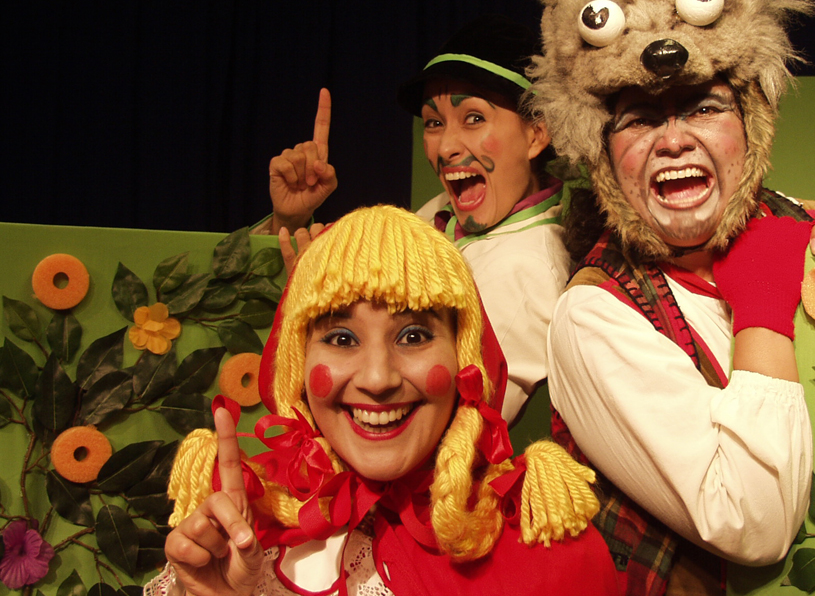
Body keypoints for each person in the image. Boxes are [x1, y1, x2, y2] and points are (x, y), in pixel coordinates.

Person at [527, 0, 815, 595]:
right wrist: (762, 301)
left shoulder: (797, 222)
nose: (674, 140)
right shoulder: (594, 315)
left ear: (751, 128)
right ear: (605, 155)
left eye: (704, 107)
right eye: (640, 119)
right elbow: (753, 522)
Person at [149, 205, 618, 596]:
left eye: (413, 336)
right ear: (297, 364)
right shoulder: (249, 529)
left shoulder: (550, 550)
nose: (377, 379)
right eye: (341, 338)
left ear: (465, 358)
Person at [263, 16, 570, 422]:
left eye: (474, 118)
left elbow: (460, 428)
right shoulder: (439, 216)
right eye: (434, 123)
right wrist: (292, 217)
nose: (445, 148)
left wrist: (313, 315)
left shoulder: (525, 270)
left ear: (536, 134)